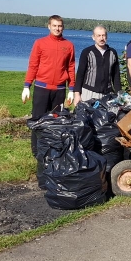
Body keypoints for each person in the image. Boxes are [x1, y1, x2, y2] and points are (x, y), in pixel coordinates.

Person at [21, 15, 75, 189]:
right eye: (54, 26)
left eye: (60, 26)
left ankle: (53, 152)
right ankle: (37, 152)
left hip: (59, 89)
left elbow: (71, 67)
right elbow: (33, 65)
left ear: (63, 27)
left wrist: (72, 89)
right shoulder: (40, 43)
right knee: (38, 120)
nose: (57, 29)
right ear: (49, 26)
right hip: (42, 88)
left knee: (56, 121)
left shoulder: (69, 45)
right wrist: (27, 86)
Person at [72, 25, 121, 105]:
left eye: (103, 35)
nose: (101, 38)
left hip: (106, 94)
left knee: (106, 117)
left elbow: (116, 76)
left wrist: (119, 94)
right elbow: (80, 74)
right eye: (98, 35)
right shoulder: (87, 52)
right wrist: (77, 94)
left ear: (106, 37)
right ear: (93, 37)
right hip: (88, 92)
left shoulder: (112, 53)